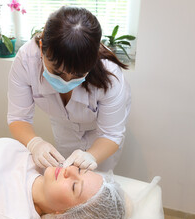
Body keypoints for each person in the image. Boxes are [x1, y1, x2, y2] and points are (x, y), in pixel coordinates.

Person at [7, 6, 131, 172]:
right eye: (57, 72)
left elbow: (111, 134)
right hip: (64, 125)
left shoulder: (110, 75)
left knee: (97, 179)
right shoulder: (26, 60)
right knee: (65, 173)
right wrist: (34, 143)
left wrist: (92, 156)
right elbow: (18, 117)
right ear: (43, 46)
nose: (65, 81)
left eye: (77, 75)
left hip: (101, 135)